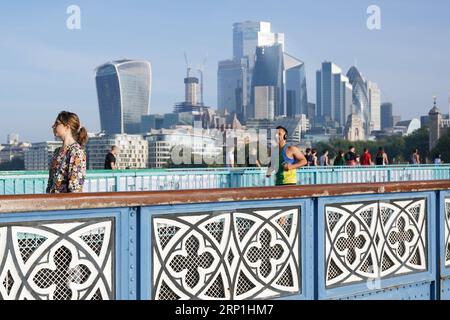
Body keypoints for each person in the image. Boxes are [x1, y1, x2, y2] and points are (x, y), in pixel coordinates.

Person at [46, 111, 87, 193]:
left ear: (67, 127)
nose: (53, 126)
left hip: (66, 203)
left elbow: (76, 187)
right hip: (53, 202)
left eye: (57, 123)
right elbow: (51, 181)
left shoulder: (76, 152)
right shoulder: (57, 151)